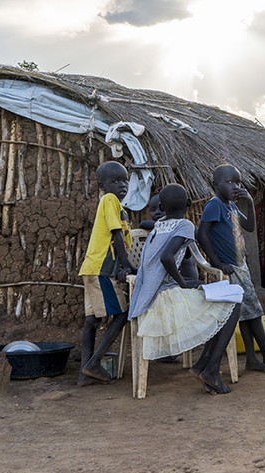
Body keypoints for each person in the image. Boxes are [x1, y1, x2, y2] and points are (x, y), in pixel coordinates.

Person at [129, 184, 242, 395]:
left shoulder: (160, 224)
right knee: (234, 302)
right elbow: (166, 258)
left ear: (161, 207)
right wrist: (182, 282)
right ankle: (209, 369)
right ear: (189, 205)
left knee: (218, 300)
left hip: (146, 295)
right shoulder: (185, 225)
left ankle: (203, 367)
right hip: (163, 298)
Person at [198, 164, 265, 373]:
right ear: (216, 185)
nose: (235, 186)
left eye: (238, 182)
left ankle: (253, 358)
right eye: (229, 182)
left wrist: (248, 201)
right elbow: (201, 234)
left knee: (250, 313)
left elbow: (249, 226)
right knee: (254, 312)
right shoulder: (215, 205)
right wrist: (217, 263)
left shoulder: (231, 206)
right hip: (231, 268)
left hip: (240, 265)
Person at [76, 162, 133, 386]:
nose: (122, 185)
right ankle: (93, 363)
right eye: (115, 181)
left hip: (91, 268)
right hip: (102, 270)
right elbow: (116, 235)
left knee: (91, 320)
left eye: (125, 180)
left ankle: (84, 374)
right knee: (121, 315)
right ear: (103, 186)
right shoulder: (110, 200)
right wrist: (126, 264)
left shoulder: (116, 205)